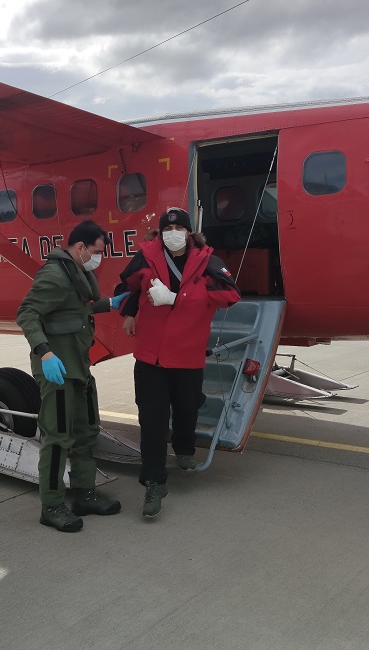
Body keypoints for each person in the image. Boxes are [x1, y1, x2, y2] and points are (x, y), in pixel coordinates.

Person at [117, 207, 240, 518]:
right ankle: (154, 483)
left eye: (179, 227)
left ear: (189, 232)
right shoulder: (146, 256)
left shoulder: (209, 262)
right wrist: (130, 311)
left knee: (187, 406)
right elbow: (129, 286)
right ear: (161, 232)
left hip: (187, 355)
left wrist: (178, 299)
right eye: (168, 228)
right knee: (152, 419)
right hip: (151, 356)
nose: (173, 232)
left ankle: (184, 448)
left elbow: (231, 294)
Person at [16, 219, 129, 532]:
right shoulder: (55, 274)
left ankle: (84, 494)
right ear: (80, 247)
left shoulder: (76, 272)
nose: (99, 258)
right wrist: (45, 353)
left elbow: (77, 311)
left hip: (79, 368)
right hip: (58, 371)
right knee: (57, 438)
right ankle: (51, 505)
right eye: (96, 251)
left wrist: (111, 303)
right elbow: (27, 313)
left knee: (85, 433)